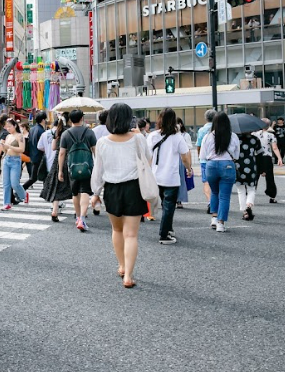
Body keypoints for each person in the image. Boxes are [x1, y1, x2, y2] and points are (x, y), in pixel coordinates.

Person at [90, 103, 150, 288]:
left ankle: (122, 266)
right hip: (133, 188)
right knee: (131, 235)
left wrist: (95, 193)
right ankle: (129, 276)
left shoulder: (102, 142)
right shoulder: (138, 139)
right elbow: (148, 159)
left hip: (112, 189)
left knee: (116, 230)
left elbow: (98, 171)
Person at [147, 109, 191, 244]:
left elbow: (148, 157)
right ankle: (164, 234)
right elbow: (184, 157)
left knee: (165, 205)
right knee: (169, 206)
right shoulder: (177, 137)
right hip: (171, 178)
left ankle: (168, 228)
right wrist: (189, 168)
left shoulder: (152, 136)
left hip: (155, 176)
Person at [58, 109, 97, 231]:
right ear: (82, 119)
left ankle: (78, 216)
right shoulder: (89, 132)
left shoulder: (66, 134)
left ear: (70, 120)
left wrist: (60, 170)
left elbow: (62, 153)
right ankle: (83, 219)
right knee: (85, 191)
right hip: (87, 167)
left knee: (75, 193)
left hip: (72, 167)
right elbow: (95, 151)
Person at [201, 112, 240, 233]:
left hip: (211, 165)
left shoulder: (208, 136)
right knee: (224, 196)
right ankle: (221, 224)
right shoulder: (233, 136)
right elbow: (237, 155)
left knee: (214, 192)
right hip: (227, 165)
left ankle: (213, 218)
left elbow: (202, 155)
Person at [0, 119, 28, 211]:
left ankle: (24, 194)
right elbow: (6, 151)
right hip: (7, 159)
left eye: (9, 126)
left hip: (16, 160)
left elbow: (22, 149)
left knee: (15, 183)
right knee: (6, 184)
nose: (8, 128)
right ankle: (7, 203)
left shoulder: (20, 136)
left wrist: (9, 146)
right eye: (7, 127)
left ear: (15, 126)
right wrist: (2, 146)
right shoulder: (7, 136)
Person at [235, 128, 261, 222]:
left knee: (240, 189)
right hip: (251, 165)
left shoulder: (235, 138)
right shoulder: (255, 139)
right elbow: (259, 153)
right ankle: (249, 203)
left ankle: (245, 211)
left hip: (238, 165)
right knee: (251, 188)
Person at [255, 119, 284, 204]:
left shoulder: (254, 134)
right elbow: (274, 147)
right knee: (270, 178)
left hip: (256, 157)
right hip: (267, 157)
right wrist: (279, 158)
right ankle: (272, 196)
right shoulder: (271, 135)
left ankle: (250, 195)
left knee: (254, 178)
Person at [196, 110, 216, 211]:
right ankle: (216, 202)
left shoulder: (202, 130)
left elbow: (198, 145)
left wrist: (199, 156)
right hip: (217, 159)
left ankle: (210, 202)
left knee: (207, 182)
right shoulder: (219, 128)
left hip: (205, 160)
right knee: (217, 183)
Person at [23, 111, 47, 191]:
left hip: (33, 156)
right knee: (39, 176)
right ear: (43, 120)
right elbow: (43, 145)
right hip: (40, 156)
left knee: (34, 177)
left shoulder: (32, 129)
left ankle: (46, 191)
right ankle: (21, 189)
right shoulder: (42, 131)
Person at [175, 118, 193, 208]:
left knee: (181, 180)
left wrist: (189, 165)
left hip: (181, 159)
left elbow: (188, 151)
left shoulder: (185, 135)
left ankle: (179, 200)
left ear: (181, 124)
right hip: (173, 159)